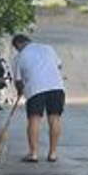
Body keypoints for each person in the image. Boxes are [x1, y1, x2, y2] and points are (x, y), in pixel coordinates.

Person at [11, 34, 65, 163]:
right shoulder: (48, 48)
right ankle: (52, 153)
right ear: (28, 41)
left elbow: (18, 81)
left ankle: (33, 154)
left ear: (18, 45)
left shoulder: (19, 57)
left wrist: (20, 91)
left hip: (35, 89)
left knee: (34, 119)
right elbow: (59, 66)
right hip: (56, 87)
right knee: (54, 118)